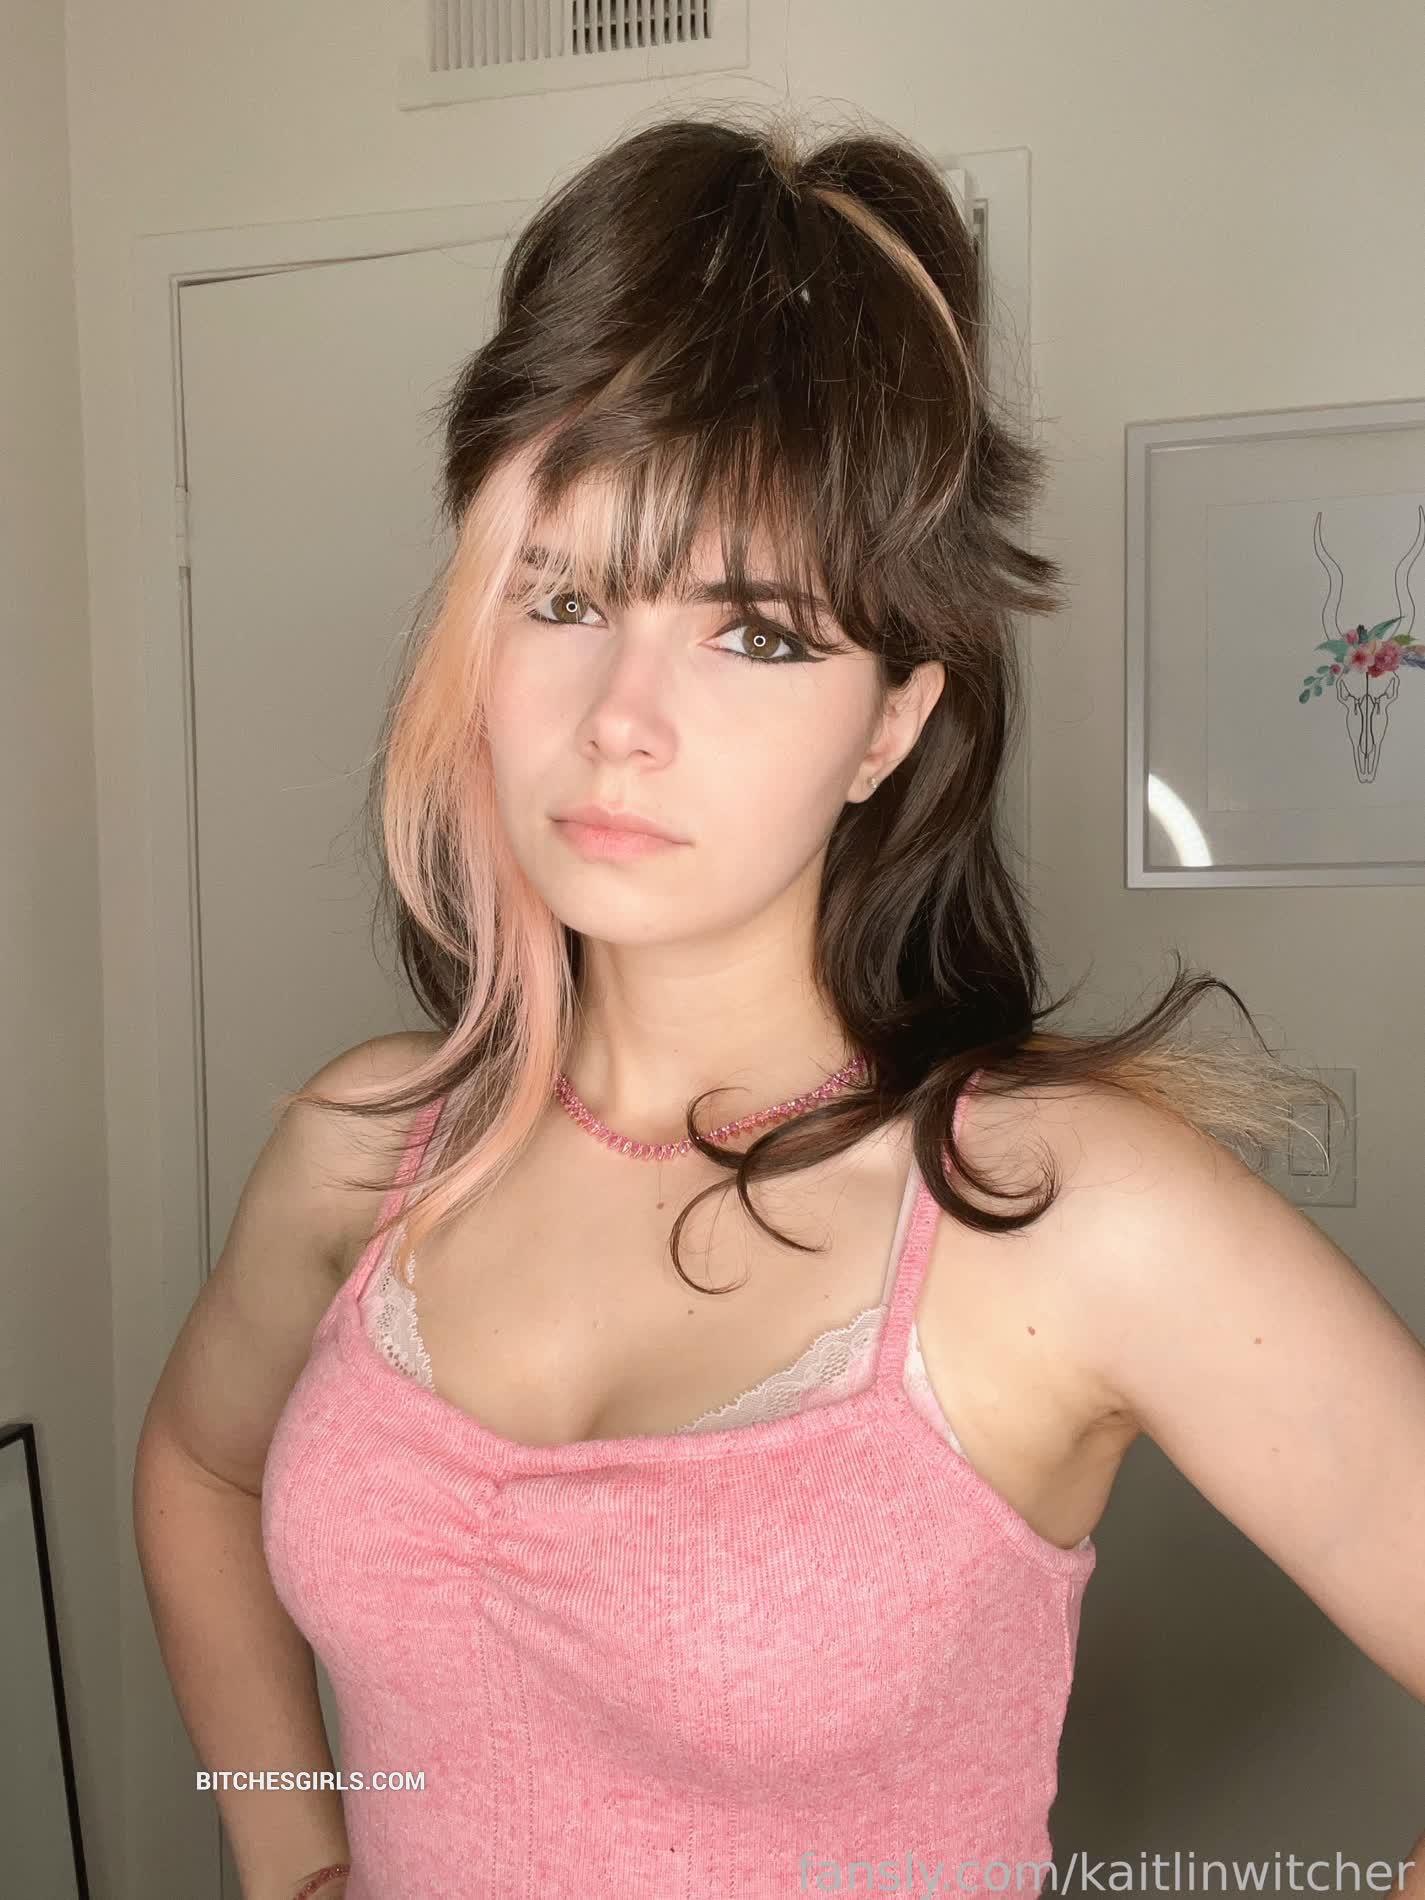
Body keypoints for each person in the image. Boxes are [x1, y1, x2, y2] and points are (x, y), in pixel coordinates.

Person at [132, 106, 1425, 1900]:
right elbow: (199, 1474)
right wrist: (291, 1858)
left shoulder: (1060, 1217)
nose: (622, 718)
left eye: (757, 633)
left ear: (890, 722)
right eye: (560, 597)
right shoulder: (368, 1149)